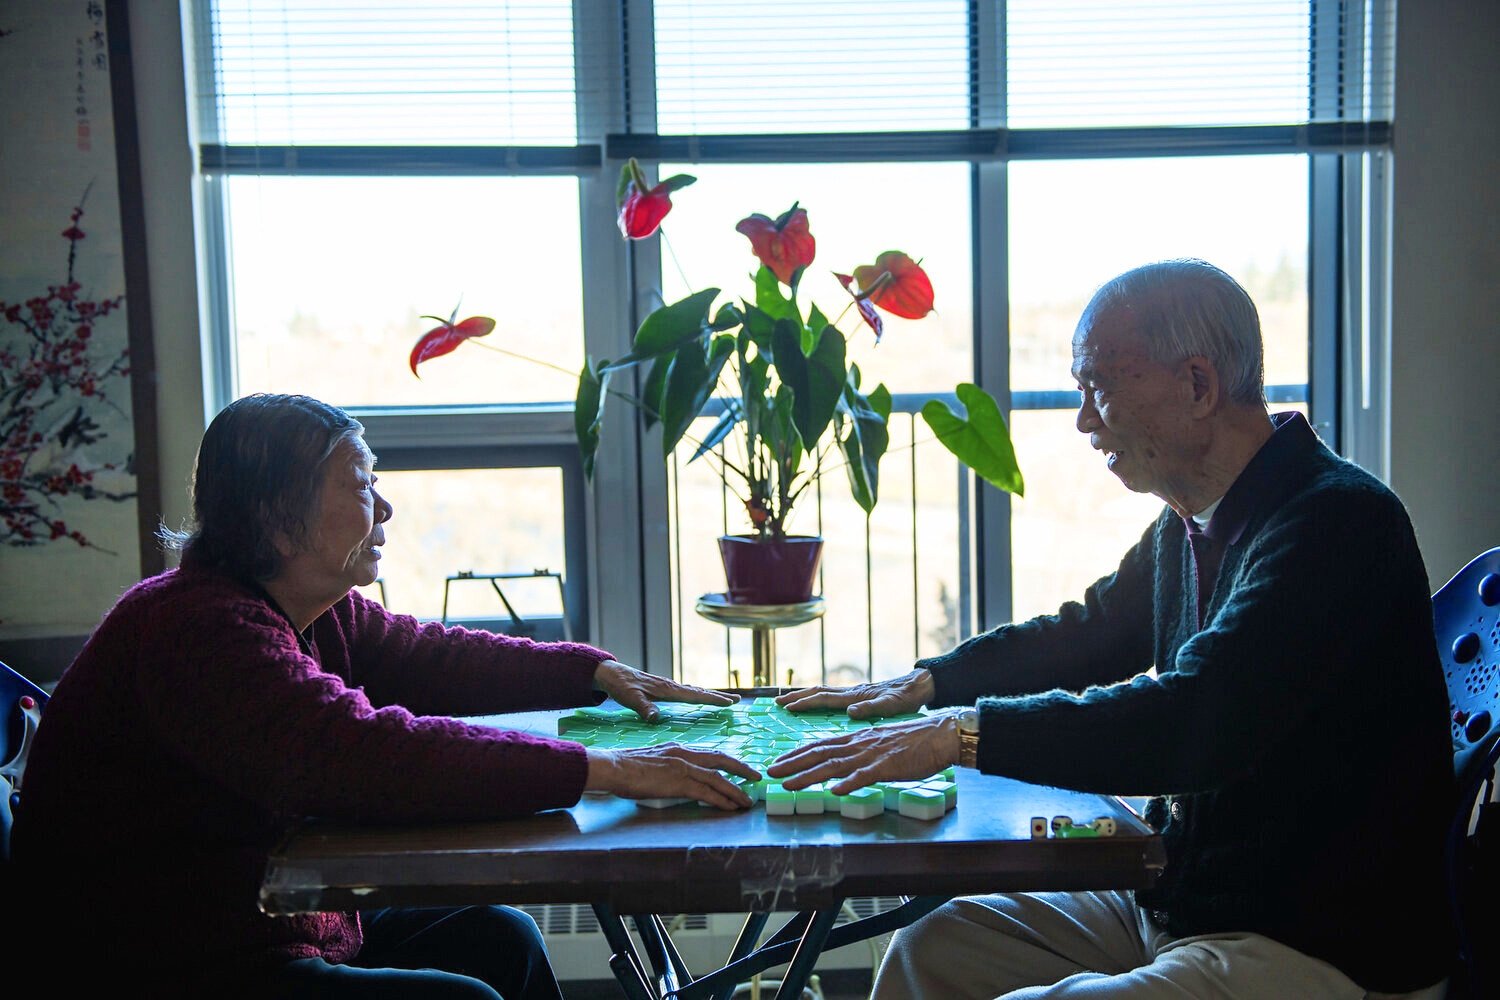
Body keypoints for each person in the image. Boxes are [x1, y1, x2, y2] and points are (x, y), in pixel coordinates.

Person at [767, 260, 1454, 999]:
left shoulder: (1336, 522)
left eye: (1098, 385)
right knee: (930, 952)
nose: (1084, 419)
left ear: (1197, 385)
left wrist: (959, 734)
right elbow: (1088, 634)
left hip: (1317, 942)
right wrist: (930, 685)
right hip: (1185, 909)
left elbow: (1195, 719)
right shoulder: (1191, 522)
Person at [12, 393, 758, 998]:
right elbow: (367, 754)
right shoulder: (198, 631)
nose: (385, 508)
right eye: (362, 485)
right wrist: (607, 768)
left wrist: (589, 671)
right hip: (161, 968)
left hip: (256, 929)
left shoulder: (299, 606)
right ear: (278, 518)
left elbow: (430, 657)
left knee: (502, 941)